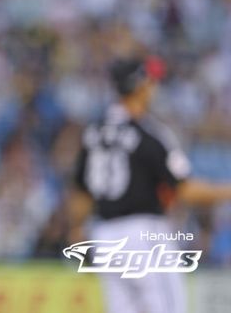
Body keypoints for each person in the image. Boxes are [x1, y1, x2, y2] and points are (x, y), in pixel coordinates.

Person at [67, 55, 231, 313]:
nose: (153, 86)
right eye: (150, 81)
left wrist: (77, 229)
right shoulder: (149, 133)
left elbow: (81, 192)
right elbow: (185, 190)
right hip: (143, 233)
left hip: (104, 234)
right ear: (140, 86)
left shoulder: (94, 132)